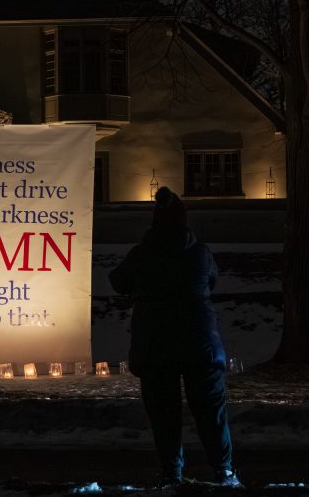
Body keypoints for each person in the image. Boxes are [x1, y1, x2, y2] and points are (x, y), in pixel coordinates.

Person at [109, 187, 239, 488]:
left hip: (155, 345)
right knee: (210, 411)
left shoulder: (143, 254)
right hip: (199, 343)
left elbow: (118, 280)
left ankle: (171, 473)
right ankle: (224, 471)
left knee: (164, 415)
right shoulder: (200, 253)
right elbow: (212, 281)